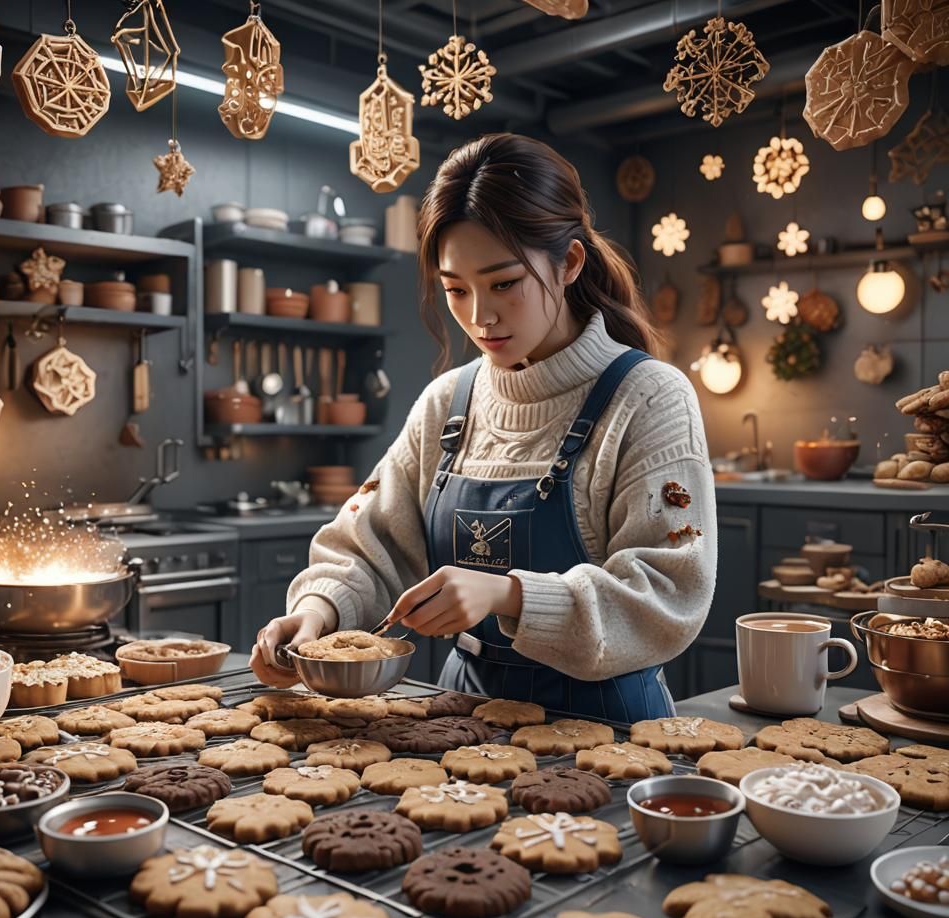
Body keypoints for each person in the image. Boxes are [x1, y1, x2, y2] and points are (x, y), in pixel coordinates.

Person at [252, 132, 716, 723]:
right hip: (462, 714)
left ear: (570, 262)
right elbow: (368, 546)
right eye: (455, 289)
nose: (479, 317)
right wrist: (317, 614)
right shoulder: (450, 400)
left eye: (503, 283)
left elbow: (669, 593)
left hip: (609, 725)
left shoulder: (649, 397)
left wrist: (509, 595)